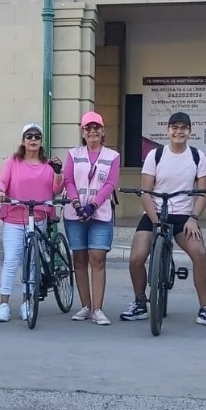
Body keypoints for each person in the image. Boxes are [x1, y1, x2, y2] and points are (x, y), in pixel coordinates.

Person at [122, 111, 206, 326]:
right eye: (174, 127)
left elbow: (202, 194)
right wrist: (155, 221)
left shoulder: (197, 156)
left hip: (183, 216)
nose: (179, 131)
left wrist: (193, 218)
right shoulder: (155, 155)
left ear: (190, 131)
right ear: (168, 130)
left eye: (183, 128)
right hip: (155, 213)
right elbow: (145, 192)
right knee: (136, 258)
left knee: (200, 254)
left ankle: (205, 308)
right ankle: (139, 302)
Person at [0, 123, 64, 323]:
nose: (33, 139)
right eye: (29, 136)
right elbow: (2, 181)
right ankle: (4, 304)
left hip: (38, 217)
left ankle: (26, 302)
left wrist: (58, 172)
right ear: (23, 141)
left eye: (37, 137)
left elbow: (57, 190)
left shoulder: (48, 164)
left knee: (31, 263)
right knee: (12, 260)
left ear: (41, 142)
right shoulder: (13, 161)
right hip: (15, 217)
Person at [62, 111, 120, 326]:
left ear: (103, 131)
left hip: (100, 213)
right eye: (88, 128)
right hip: (75, 212)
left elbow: (110, 183)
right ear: (83, 132)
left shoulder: (112, 156)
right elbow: (68, 180)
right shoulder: (73, 153)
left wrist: (93, 205)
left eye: (97, 127)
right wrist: (78, 204)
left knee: (98, 258)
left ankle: (98, 308)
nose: (93, 131)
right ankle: (86, 306)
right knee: (79, 259)